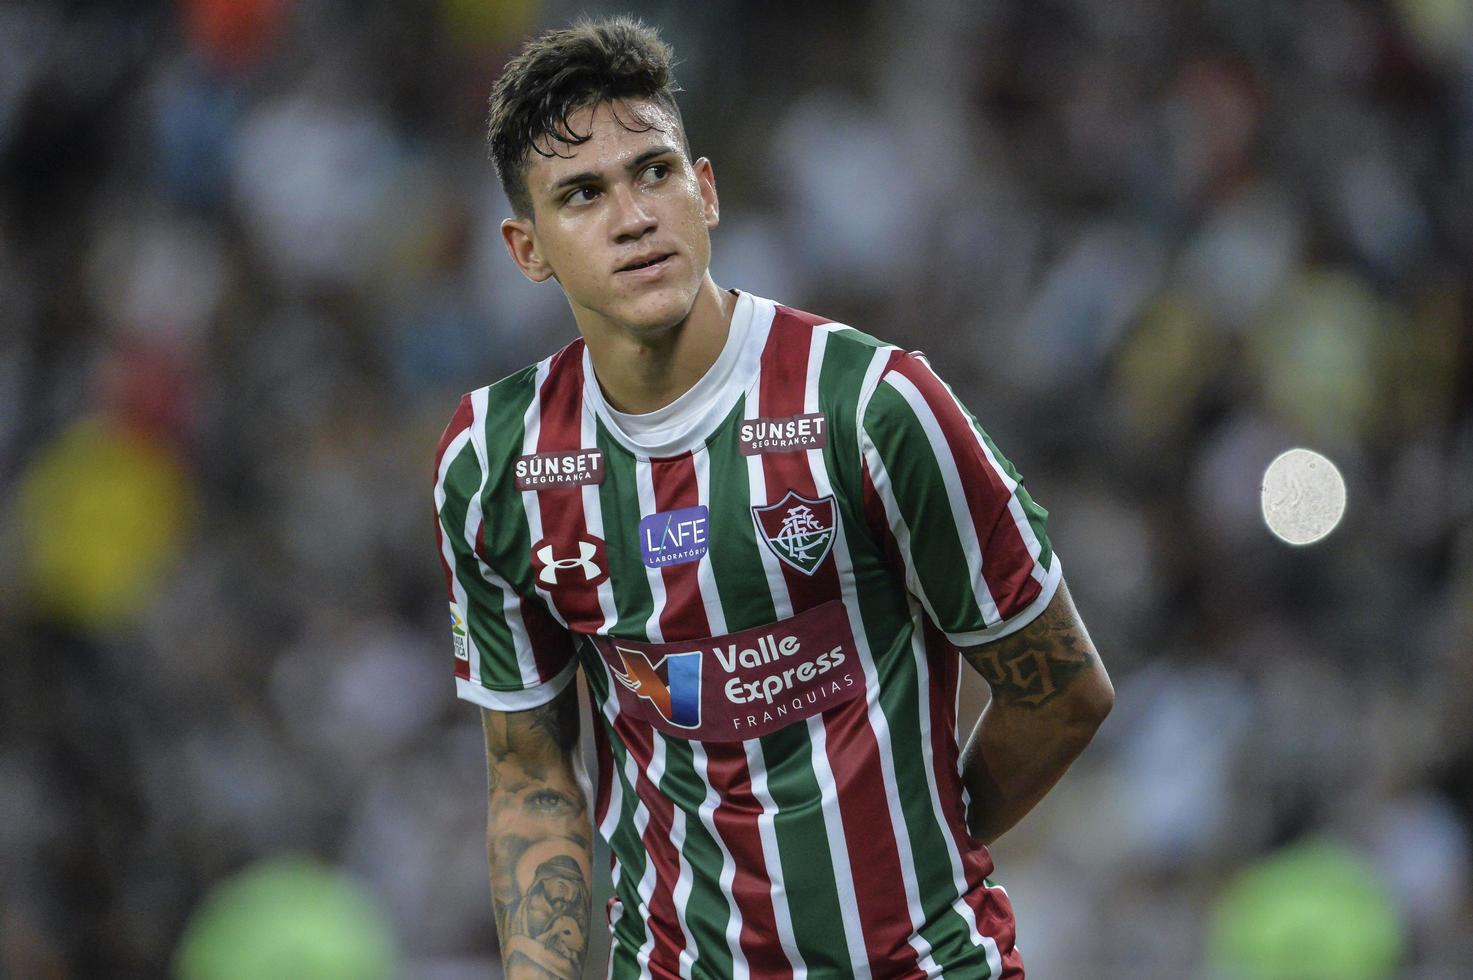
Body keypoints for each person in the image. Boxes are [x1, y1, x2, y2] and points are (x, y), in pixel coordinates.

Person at [432, 16, 1114, 979]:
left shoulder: (873, 406)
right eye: (581, 194)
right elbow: (531, 773)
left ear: (704, 191)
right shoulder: (493, 462)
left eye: (654, 172)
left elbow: (1062, 693)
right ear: (525, 248)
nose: (632, 216)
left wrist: (918, 843)